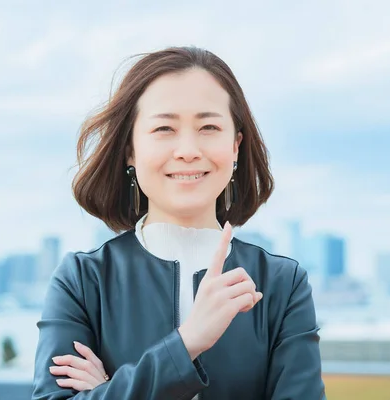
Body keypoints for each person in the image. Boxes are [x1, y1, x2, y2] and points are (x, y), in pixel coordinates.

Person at [32, 46, 326, 400]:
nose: (187, 149)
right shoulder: (83, 281)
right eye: (164, 128)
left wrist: (108, 392)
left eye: (208, 127)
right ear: (130, 149)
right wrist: (187, 344)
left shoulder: (282, 285)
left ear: (235, 146)